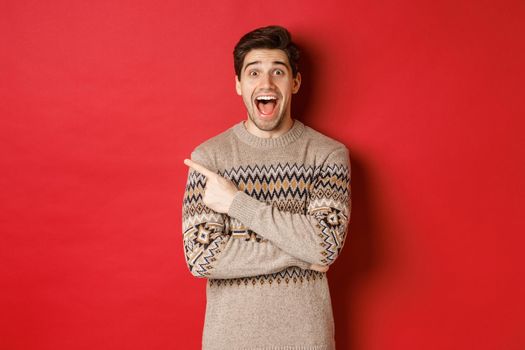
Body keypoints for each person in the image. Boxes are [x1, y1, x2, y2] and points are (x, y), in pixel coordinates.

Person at [182, 25, 351, 350]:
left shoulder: (328, 154)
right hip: (228, 342)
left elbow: (324, 246)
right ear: (238, 84)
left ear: (295, 82)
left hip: (306, 341)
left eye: (278, 71)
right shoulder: (209, 158)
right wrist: (302, 254)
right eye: (254, 72)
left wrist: (235, 203)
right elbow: (202, 257)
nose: (266, 83)